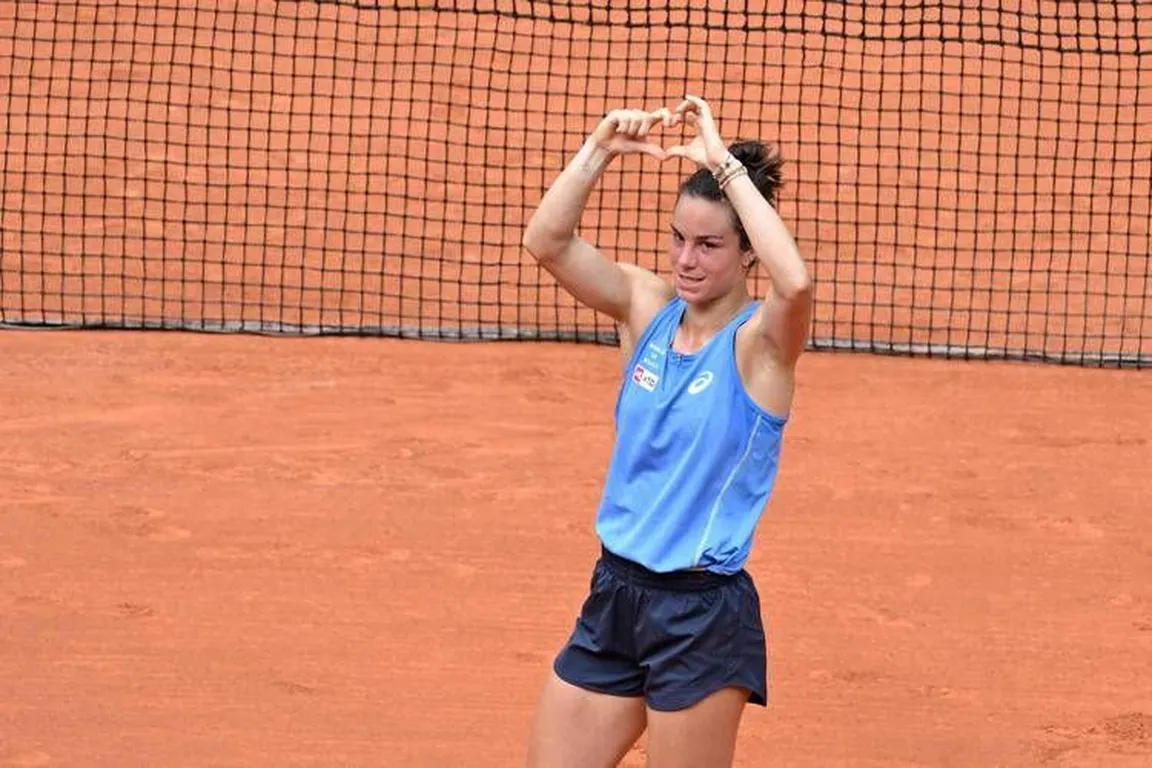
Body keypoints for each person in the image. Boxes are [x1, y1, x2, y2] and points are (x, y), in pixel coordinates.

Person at [520, 95, 812, 768]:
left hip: (699, 617)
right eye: (678, 238)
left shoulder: (761, 348)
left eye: (709, 245)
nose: (686, 259)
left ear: (747, 254)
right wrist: (598, 151)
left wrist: (726, 168)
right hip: (615, 597)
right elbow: (547, 243)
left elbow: (795, 286)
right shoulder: (644, 307)